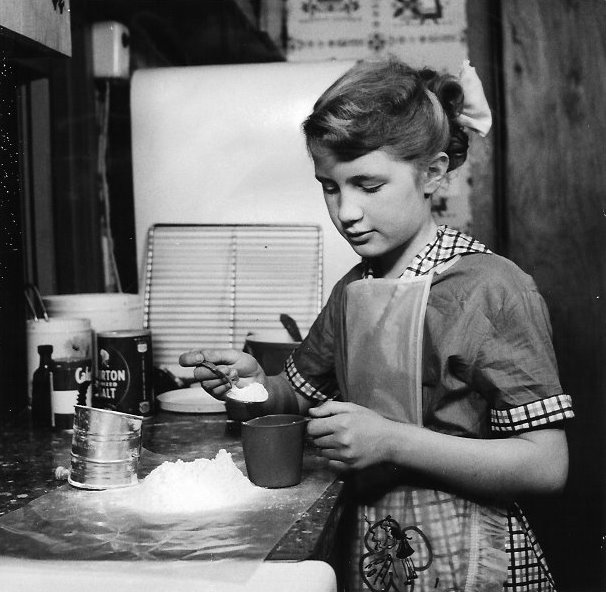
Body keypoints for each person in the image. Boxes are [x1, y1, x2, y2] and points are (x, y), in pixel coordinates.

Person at [179, 57, 574, 592]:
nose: (345, 212)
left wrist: (391, 442)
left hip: (474, 563)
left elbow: (546, 465)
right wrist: (248, 385)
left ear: (433, 173)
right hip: (378, 550)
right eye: (330, 187)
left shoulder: (492, 289)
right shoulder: (353, 291)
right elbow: (294, 397)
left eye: (368, 184)